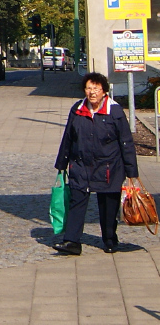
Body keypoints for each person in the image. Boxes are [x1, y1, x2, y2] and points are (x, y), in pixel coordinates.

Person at [53, 71, 138, 255]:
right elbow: (68, 137)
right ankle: (72, 241)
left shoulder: (114, 111)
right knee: (77, 202)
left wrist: (132, 172)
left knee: (108, 207)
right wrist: (62, 163)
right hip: (81, 165)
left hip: (109, 167)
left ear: (104, 91)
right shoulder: (77, 109)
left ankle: (109, 239)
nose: (92, 92)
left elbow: (126, 142)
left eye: (96, 89)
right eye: (89, 88)